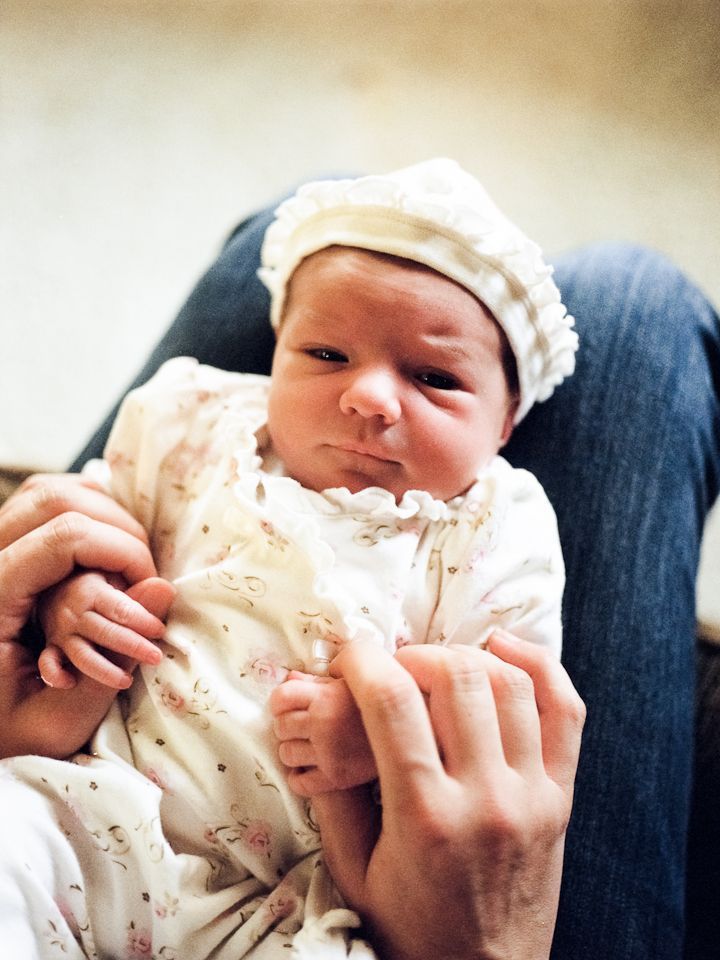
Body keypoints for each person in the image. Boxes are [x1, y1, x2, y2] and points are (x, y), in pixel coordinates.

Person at [0, 159, 717, 960]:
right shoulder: (192, 425)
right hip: (86, 815)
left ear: (506, 423)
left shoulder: (496, 533)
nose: (370, 397)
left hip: (288, 905)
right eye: (325, 354)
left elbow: (502, 719)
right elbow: (89, 533)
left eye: (435, 377)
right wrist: (77, 605)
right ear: (273, 354)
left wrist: (371, 745)